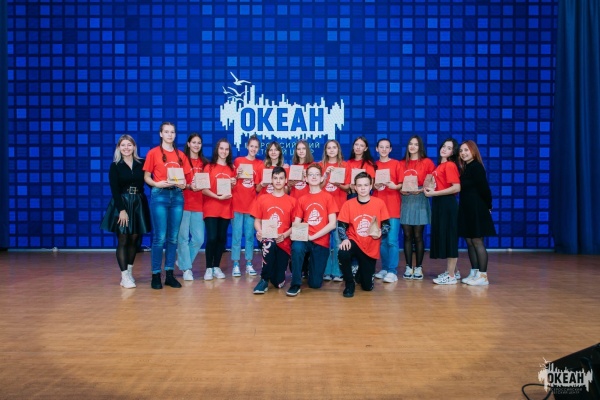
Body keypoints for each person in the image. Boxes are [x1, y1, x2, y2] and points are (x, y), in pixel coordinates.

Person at [101, 135, 151, 288]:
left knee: (134, 240)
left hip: (138, 203)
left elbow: (150, 181)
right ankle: (124, 276)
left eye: (129, 145)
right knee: (123, 238)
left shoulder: (142, 163)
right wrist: (121, 210)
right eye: (123, 145)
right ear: (118, 148)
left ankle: (129, 272)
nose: (126, 148)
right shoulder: (115, 166)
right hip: (122, 203)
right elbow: (115, 190)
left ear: (134, 147)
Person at [143, 122, 189, 290]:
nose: (170, 135)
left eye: (172, 132)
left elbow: (186, 179)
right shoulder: (153, 153)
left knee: (173, 237)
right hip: (160, 195)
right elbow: (146, 177)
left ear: (175, 135)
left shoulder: (180, 155)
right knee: (160, 237)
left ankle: (169, 274)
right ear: (161, 134)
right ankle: (156, 274)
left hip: (177, 196)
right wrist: (157, 184)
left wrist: (183, 184)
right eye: (167, 132)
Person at [286, 163, 339, 296]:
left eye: (317, 175)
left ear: (322, 178)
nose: (314, 177)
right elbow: (297, 222)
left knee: (315, 284)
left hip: (321, 242)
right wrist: (291, 234)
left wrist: (313, 237)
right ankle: (295, 284)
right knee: (297, 247)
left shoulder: (328, 198)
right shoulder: (302, 199)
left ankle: (307, 264)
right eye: (311, 175)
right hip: (304, 238)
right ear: (306, 179)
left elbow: (333, 224)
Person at [337, 172, 391, 298]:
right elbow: (341, 225)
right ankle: (349, 284)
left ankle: (361, 272)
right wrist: (344, 239)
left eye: (366, 185)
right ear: (355, 187)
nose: (362, 188)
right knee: (343, 252)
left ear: (371, 186)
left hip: (371, 245)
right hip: (354, 240)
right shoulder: (348, 204)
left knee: (367, 287)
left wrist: (380, 232)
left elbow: (387, 225)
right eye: (359, 185)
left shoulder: (379, 203)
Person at [251, 167, 297, 294]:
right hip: (267, 239)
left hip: (284, 242)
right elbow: (256, 221)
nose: (278, 181)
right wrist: (260, 231)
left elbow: (296, 225)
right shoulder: (262, 199)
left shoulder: (292, 201)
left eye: (281, 178)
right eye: (275, 178)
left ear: (286, 180)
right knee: (269, 243)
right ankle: (264, 279)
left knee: (278, 283)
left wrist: (285, 235)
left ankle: (273, 271)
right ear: (271, 180)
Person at [457, 140, 497, 286]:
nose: (463, 153)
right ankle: (474, 272)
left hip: (476, 208)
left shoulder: (476, 167)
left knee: (477, 241)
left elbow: (485, 189)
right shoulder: (465, 168)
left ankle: (483, 275)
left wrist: (488, 206)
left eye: (466, 150)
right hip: (466, 208)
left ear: (473, 151)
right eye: (461, 151)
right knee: (469, 241)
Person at [424, 138, 462, 285]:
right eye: (444, 146)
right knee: (446, 237)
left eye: (449, 148)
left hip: (447, 204)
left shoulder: (450, 165)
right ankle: (454, 272)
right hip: (439, 203)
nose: (445, 149)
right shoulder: (440, 165)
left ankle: (451, 276)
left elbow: (456, 187)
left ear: (453, 152)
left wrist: (434, 193)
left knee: (450, 238)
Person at [399, 135, 435, 280]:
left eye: (416, 144)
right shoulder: (402, 163)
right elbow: (398, 182)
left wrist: (421, 190)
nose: (412, 146)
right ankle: (408, 266)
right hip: (406, 200)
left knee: (418, 235)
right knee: (407, 235)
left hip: (420, 199)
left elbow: (432, 182)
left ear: (420, 147)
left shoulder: (427, 162)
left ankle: (419, 267)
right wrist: (401, 189)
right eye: (410, 144)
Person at [201, 139, 236, 280]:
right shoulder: (208, 167)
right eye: (221, 148)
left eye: (226, 149)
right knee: (212, 237)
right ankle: (208, 268)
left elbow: (232, 189)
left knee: (221, 238)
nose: (224, 151)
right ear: (217, 149)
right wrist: (217, 197)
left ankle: (216, 266)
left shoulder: (232, 169)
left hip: (225, 208)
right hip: (211, 207)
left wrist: (233, 184)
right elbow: (203, 189)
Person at [176, 133, 208, 281]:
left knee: (199, 239)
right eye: (193, 142)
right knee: (182, 238)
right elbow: (177, 181)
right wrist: (189, 186)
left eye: (199, 142)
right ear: (188, 144)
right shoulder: (181, 160)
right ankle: (187, 269)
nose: (196, 145)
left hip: (199, 204)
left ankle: (183, 261)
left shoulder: (205, 163)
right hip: (182, 203)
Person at [231, 135, 262, 277]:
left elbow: (257, 188)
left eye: (256, 147)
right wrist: (236, 176)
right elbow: (231, 182)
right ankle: (236, 264)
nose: (253, 149)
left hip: (251, 206)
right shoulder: (238, 161)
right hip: (237, 204)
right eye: (251, 146)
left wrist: (263, 184)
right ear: (247, 146)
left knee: (249, 236)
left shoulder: (260, 164)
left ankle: (249, 263)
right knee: (236, 236)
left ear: (258, 149)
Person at [372, 138, 403, 283]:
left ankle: (392, 271)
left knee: (392, 240)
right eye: (381, 147)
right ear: (376, 149)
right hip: (377, 207)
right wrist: (375, 186)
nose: (384, 149)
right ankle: (384, 268)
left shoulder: (396, 164)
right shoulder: (373, 165)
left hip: (393, 207)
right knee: (382, 241)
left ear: (390, 149)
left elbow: (402, 184)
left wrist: (394, 186)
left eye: (387, 147)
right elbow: (368, 184)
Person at [320, 139, 346, 282]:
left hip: (339, 209)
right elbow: (317, 186)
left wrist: (339, 184)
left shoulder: (344, 165)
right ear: (325, 150)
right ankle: (325, 270)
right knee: (323, 242)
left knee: (337, 241)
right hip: (323, 209)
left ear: (338, 149)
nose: (331, 150)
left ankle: (337, 271)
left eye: (334, 147)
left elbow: (349, 188)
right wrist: (325, 176)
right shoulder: (320, 165)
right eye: (328, 148)